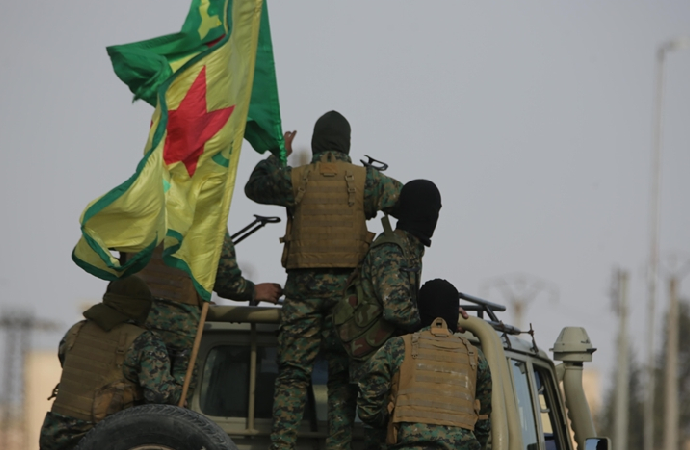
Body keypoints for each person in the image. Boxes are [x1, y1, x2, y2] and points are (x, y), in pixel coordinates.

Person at [244, 110, 403, 450]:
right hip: (350, 297)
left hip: (302, 294)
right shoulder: (365, 180)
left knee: (292, 374)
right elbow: (405, 199)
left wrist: (277, 155)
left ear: (315, 143)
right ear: (347, 143)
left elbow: (254, 187)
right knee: (341, 378)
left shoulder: (296, 178)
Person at [332, 179, 442, 449]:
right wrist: (435, 323)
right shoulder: (393, 249)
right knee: (377, 437)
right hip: (372, 357)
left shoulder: (407, 247)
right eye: (434, 210)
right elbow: (397, 309)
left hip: (377, 355)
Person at [39, 276, 184, 450]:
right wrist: (180, 382)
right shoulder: (144, 340)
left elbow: (65, 360)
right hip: (102, 437)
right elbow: (159, 396)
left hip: (55, 435)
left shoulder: (77, 330)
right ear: (142, 306)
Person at [356, 279, 492, 450]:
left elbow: (368, 406)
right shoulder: (475, 357)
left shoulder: (397, 348)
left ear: (420, 311)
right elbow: (483, 420)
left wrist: (390, 422)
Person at [133, 233, 282, 387]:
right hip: (179, 322)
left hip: (133, 318)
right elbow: (227, 282)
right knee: (175, 396)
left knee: (130, 389)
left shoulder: (140, 216)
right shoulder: (205, 217)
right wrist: (254, 291)